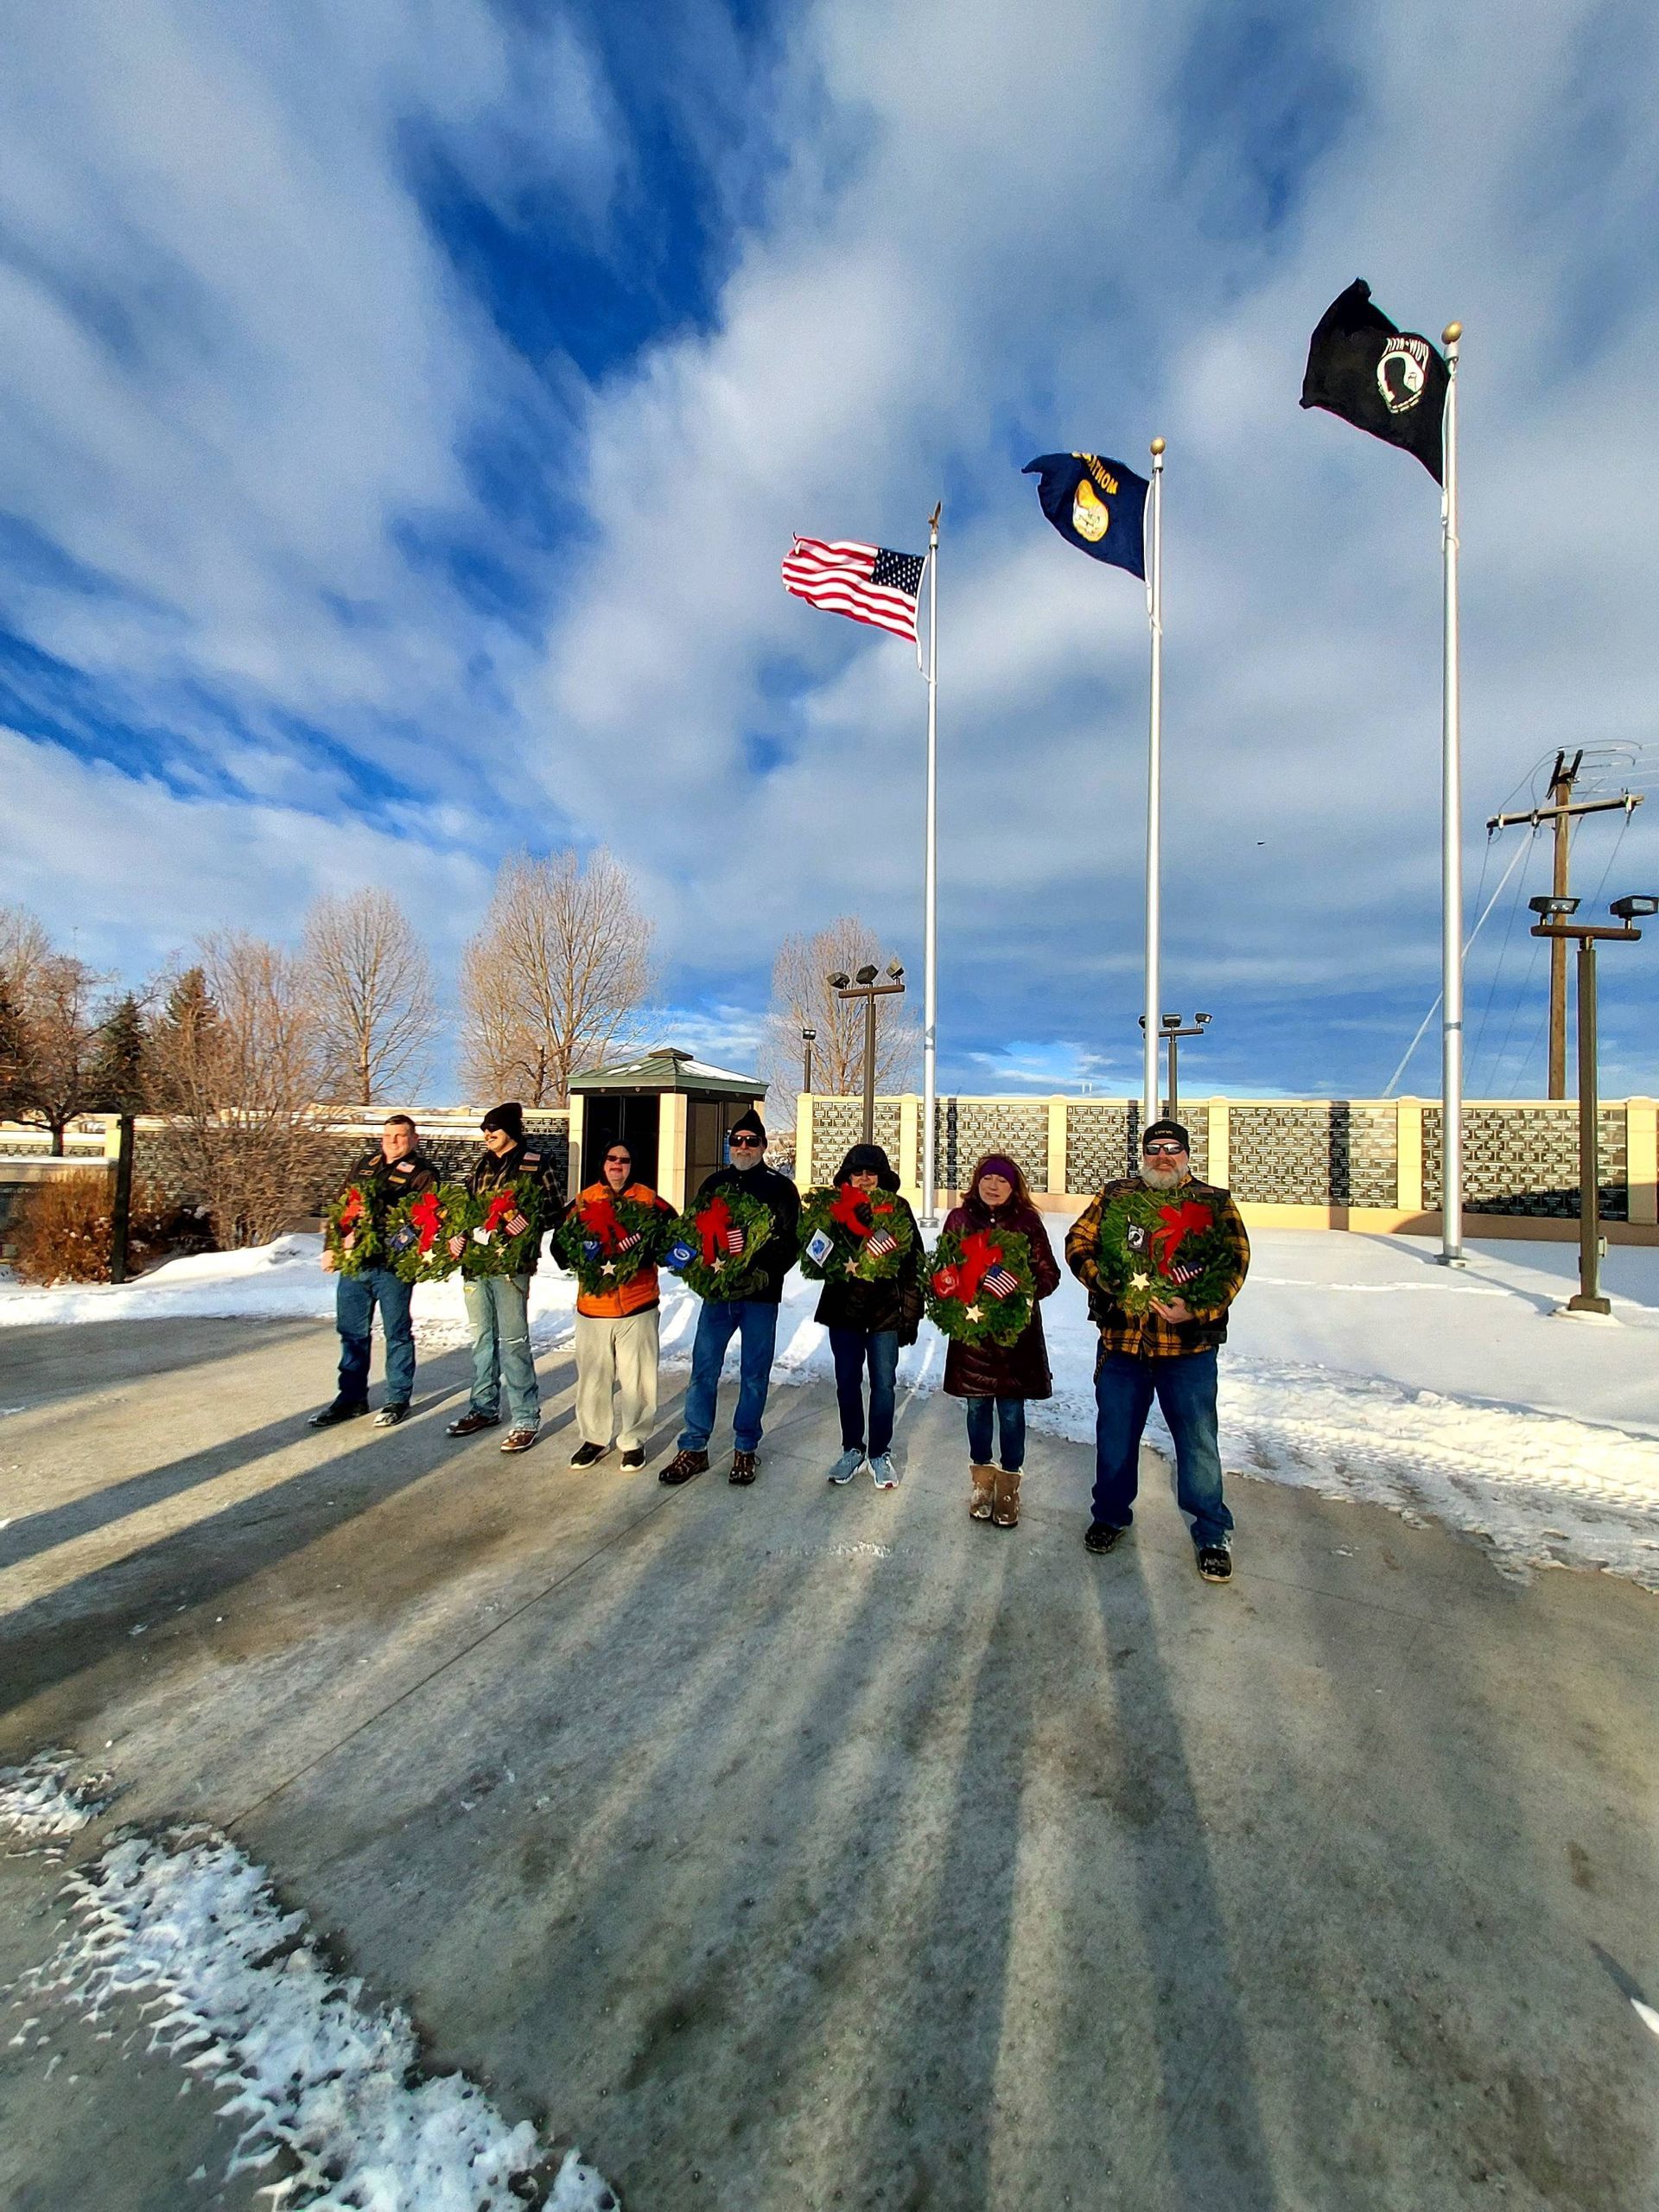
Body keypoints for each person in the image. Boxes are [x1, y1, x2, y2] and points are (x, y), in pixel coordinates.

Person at [1065, 1117, 1250, 1581]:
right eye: (1154, 1148)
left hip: (1187, 1352)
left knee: (1198, 1442)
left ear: (1187, 1154)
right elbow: (1077, 1242)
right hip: (1124, 1345)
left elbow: (1236, 1261)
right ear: (1142, 1154)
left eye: (1172, 1148)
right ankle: (1109, 1515)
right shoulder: (1116, 1196)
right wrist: (1107, 1283)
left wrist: (1198, 1308)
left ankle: (1211, 1530)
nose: (1163, 1156)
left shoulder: (1213, 1202)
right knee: (1115, 1438)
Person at [661, 1107, 800, 1487]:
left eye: (751, 1141)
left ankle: (744, 1447)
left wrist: (761, 1274)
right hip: (718, 1296)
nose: (743, 1147)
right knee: (703, 1370)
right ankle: (694, 1446)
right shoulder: (713, 1184)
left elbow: (790, 1242)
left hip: (760, 1296)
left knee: (754, 1374)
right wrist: (696, 1269)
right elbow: (692, 1232)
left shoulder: (779, 1188)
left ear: (763, 1146)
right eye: (736, 1141)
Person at [941, 1152, 1061, 1529]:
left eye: (1003, 1181)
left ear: (1015, 1188)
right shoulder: (960, 1219)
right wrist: (952, 1289)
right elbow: (944, 1266)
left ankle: (1009, 1484)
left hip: (1014, 1339)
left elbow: (1049, 1274)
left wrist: (1021, 1291)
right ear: (977, 1182)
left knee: (1010, 1411)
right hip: (972, 1337)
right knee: (977, 1409)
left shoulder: (1027, 1223)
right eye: (987, 1179)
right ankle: (981, 1481)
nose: (993, 1187)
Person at [446, 1103, 562, 1454]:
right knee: (481, 1339)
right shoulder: (480, 1166)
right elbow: (465, 1210)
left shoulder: (536, 1163)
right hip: (476, 1264)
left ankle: (526, 1418)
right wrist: (456, 1235)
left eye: (493, 1128)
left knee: (513, 1343)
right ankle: (483, 1407)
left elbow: (556, 1208)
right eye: (484, 1128)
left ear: (510, 1129)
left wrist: (530, 1222)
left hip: (512, 1266)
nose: (487, 1134)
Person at [310, 1113, 439, 1430]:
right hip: (355, 1264)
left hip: (392, 1266)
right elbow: (341, 1206)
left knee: (396, 1333)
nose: (393, 1142)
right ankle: (351, 1398)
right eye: (388, 1136)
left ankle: (397, 1398)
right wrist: (332, 1246)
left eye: (401, 1136)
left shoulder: (423, 1174)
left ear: (414, 1139)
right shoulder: (364, 1165)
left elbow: (424, 1219)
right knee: (351, 1333)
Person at [557, 1138, 676, 1471]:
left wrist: (645, 1255)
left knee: (638, 1379)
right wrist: (576, 1255)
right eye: (611, 1158)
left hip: (638, 1305)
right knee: (594, 1378)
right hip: (594, 1308)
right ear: (603, 1163)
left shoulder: (649, 1200)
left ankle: (633, 1440)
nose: (617, 1165)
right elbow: (559, 1244)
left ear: (632, 1165)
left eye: (624, 1160)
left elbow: (671, 1235)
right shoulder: (583, 1201)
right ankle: (594, 1439)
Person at [814, 1144, 925, 1491]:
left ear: (882, 1177)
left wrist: (910, 1314)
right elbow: (815, 1255)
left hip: (884, 1315)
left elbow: (913, 1264)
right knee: (847, 1382)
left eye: (871, 1172)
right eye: (857, 1172)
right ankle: (852, 1448)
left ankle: (879, 1452)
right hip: (843, 1312)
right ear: (847, 1176)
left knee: (884, 1384)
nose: (864, 1179)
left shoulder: (898, 1210)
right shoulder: (833, 1210)